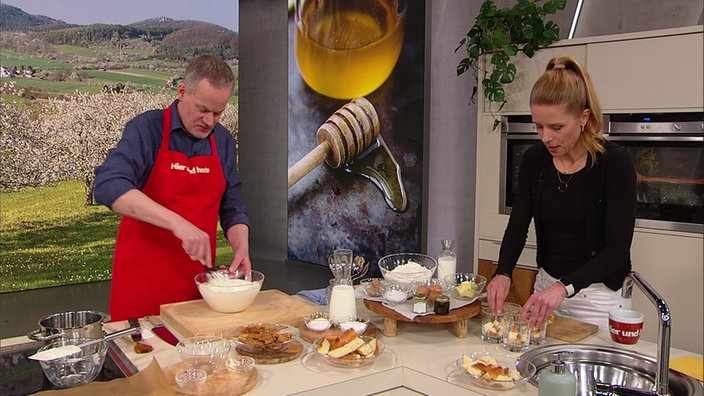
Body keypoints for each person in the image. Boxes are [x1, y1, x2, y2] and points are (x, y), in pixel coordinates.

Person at [485, 55, 637, 331]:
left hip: (597, 298)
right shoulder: (535, 160)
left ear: (583, 117)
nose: (545, 138)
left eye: (556, 128)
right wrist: (503, 272)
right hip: (546, 289)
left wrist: (564, 288)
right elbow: (518, 225)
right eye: (538, 126)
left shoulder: (614, 163)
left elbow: (616, 249)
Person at [94, 55, 250, 321]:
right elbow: (108, 185)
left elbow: (232, 205)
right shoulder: (147, 130)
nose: (210, 121)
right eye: (203, 109)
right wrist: (177, 223)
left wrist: (241, 247)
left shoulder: (223, 142)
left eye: (218, 112)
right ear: (181, 92)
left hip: (199, 291)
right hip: (142, 289)